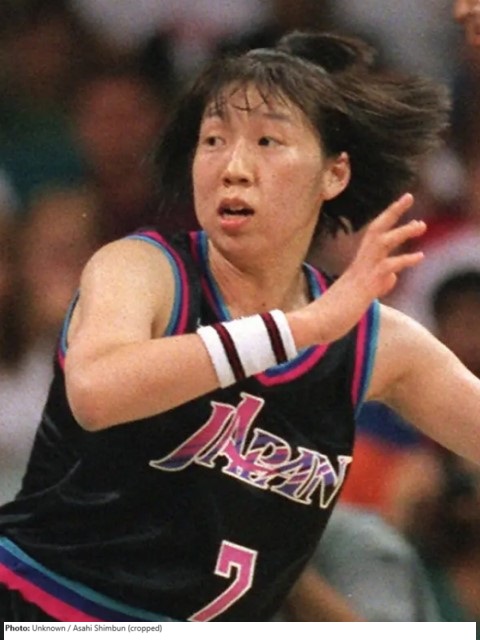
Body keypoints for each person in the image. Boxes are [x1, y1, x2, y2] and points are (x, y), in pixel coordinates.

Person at [1, 30, 475, 623]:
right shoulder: (145, 269)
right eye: (213, 140)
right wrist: (298, 328)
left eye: (268, 141)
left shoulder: (371, 340)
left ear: (334, 174)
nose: (233, 167)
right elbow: (96, 392)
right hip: (40, 611)